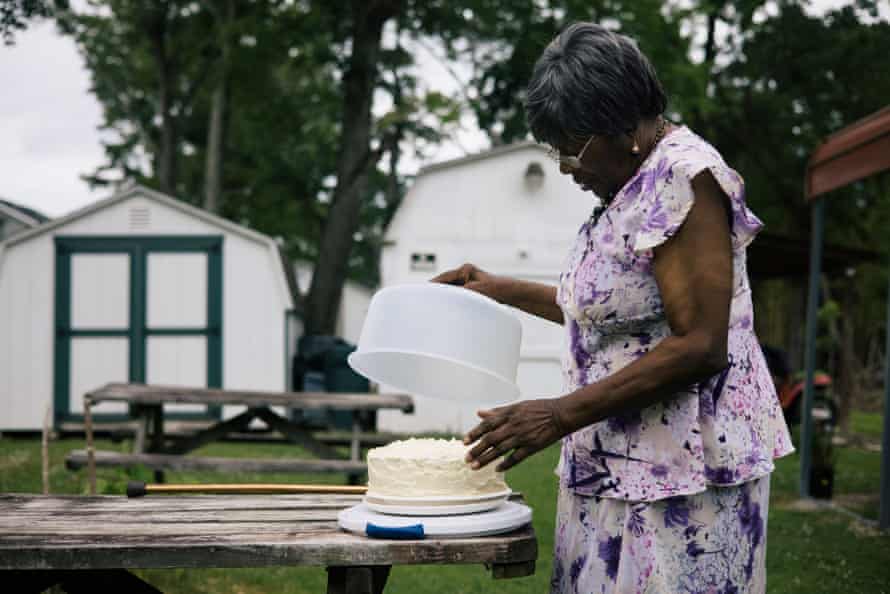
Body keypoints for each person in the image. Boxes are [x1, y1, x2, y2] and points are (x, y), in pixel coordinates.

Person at [432, 22, 793, 594]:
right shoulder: (629, 184)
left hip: (682, 480)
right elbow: (615, 319)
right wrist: (501, 288)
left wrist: (556, 414)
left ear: (624, 126)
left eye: (572, 146)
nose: (565, 166)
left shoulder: (682, 177)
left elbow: (701, 343)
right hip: (615, 467)